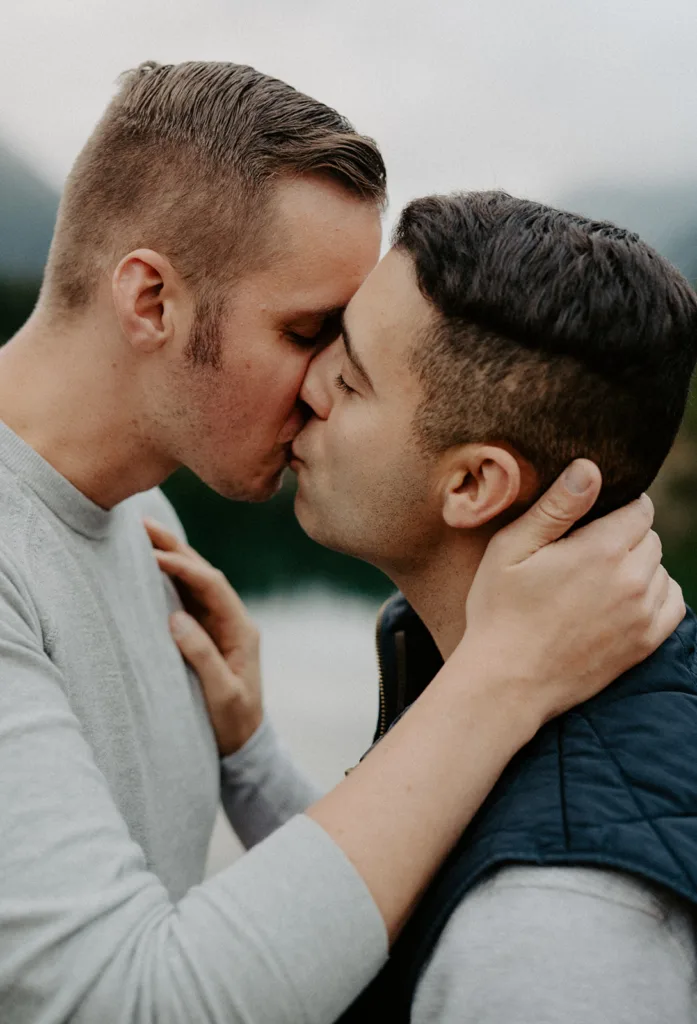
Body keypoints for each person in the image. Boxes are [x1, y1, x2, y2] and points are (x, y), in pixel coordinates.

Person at [0, 59, 682, 1023]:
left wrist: (244, 758)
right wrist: (502, 675)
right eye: (308, 329)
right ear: (151, 301)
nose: (324, 382)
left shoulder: (148, 520)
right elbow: (120, 1001)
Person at [158, 192, 697, 1024]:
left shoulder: (555, 938)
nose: (306, 387)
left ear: (473, 484)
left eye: (349, 378)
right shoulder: (518, 673)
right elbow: (413, 907)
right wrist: (251, 753)